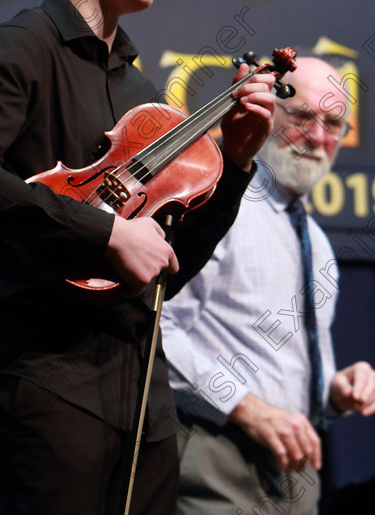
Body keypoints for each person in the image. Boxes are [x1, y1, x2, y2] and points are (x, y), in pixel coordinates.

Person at [0, 0, 276, 515]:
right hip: (46, 378)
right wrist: (106, 230)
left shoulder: (140, 95)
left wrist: (239, 166)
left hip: (142, 394)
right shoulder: (22, 48)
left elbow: (165, 268)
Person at [161, 56, 375, 515]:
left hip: (296, 480)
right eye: (301, 116)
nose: (317, 136)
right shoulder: (216, 206)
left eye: (333, 123)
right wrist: (245, 407)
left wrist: (335, 391)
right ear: (268, 111)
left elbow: (283, 372)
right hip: (213, 460)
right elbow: (154, 330)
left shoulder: (316, 241)